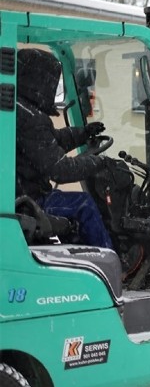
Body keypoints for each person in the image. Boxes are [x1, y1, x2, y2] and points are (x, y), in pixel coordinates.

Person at [15, 48, 113, 249]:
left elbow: (49, 143)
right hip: (30, 201)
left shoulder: (20, 110)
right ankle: (111, 263)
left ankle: (81, 255)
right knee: (84, 204)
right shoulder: (31, 119)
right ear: (41, 80)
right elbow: (61, 170)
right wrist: (97, 162)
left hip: (19, 193)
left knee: (74, 219)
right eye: (53, 82)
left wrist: (83, 133)